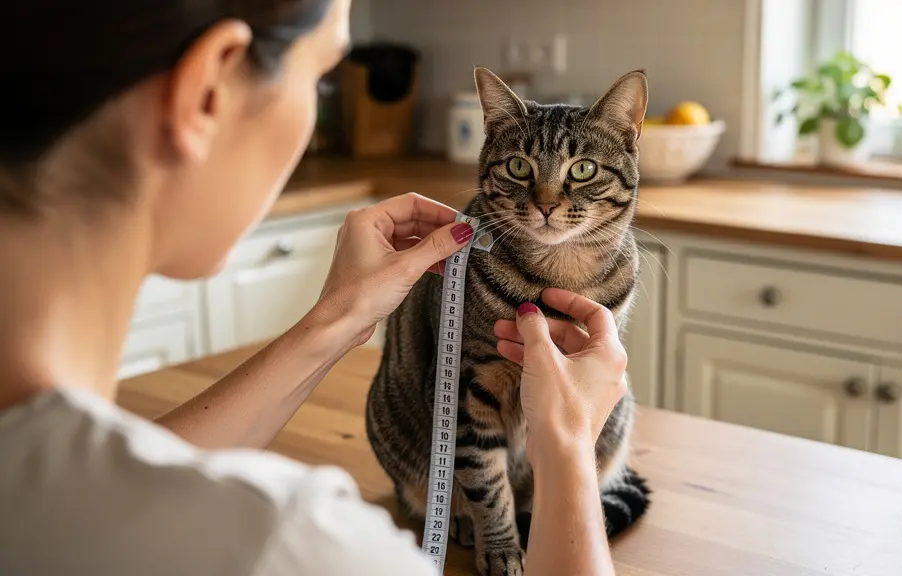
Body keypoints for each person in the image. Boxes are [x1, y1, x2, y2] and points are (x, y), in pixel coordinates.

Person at [0, 1, 629, 575]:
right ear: (206, 92)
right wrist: (569, 450)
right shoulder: (295, 545)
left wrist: (338, 317)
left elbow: (115, 489)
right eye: (321, 76)